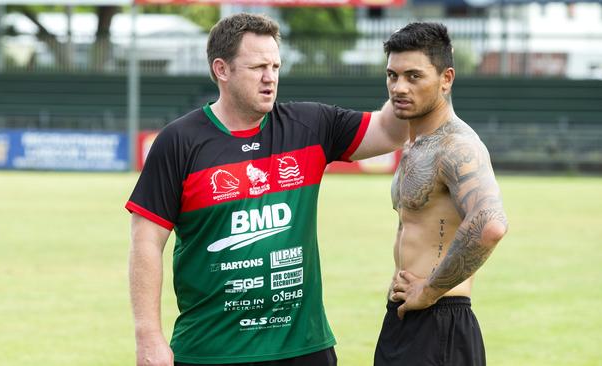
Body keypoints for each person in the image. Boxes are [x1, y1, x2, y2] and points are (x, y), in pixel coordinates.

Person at [126, 13, 407, 366]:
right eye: (258, 66)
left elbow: (392, 132)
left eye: (275, 66)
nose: (270, 77)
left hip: (303, 348)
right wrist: (148, 336)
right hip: (211, 352)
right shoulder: (180, 141)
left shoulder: (310, 126)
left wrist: (407, 77)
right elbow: (146, 240)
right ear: (222, 70)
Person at [373, 22, 508, 366]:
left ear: (446, 78)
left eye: (414, 76)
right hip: (405, 317)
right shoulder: (416, 143)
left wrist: (429, 290)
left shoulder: (458, 146)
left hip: (441, 321)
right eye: (392, 75)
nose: (399, 87)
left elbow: (490, 224)